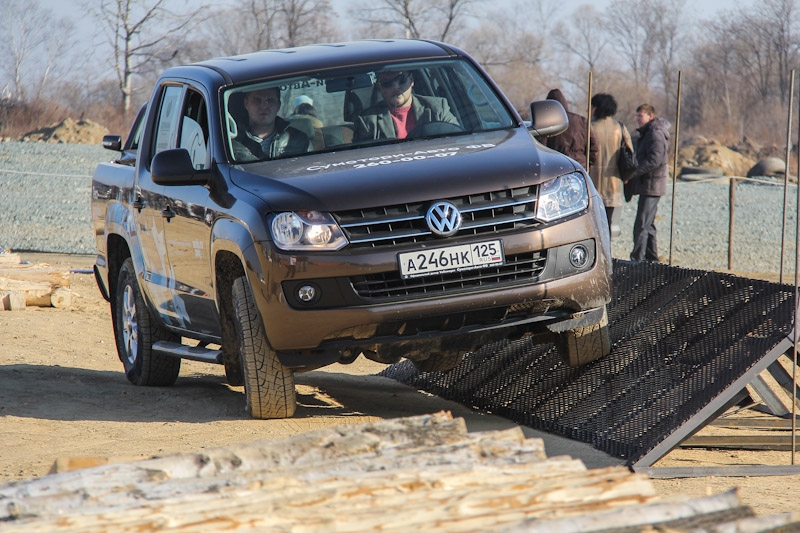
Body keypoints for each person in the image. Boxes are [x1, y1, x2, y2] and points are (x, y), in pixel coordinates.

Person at [352, 70, 460, 141]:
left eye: (401, 80)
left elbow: (458, 141)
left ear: (411, 80)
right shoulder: (367, 121)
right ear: (379, 88)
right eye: (387, 83)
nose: (396, 87)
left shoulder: (438, 108)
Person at [626, 103, 671, 262]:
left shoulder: (655, 134)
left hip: (652, 185)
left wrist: (632, 173)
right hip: (649, 185)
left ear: (650, 116)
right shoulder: (648, 133)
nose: (637, 119)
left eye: (640, 116)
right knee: (649, 224)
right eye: (637, 115)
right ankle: (652, 259)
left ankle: (637, 259)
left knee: (642, 224)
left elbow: (654, 160)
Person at [589, 93, 634, 238]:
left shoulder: (590, 127)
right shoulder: (619, 127)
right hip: (614, 183)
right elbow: (630, 154)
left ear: (597, 108)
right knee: (608, 224)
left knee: (594, 223)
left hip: (593, 182)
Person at [231, 86, 309, 161]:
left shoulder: (299, 140)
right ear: (246, 103)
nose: (264, 106)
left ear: (278, 105)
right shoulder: (231, 142)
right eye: (257, 100)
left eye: (270, 100)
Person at [544, 88, 598, 170]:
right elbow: (594, 148)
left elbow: (541, 149)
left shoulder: (545, 123)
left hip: (556, 167)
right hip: (579, 167)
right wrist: (587, 165)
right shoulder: (582, 121)